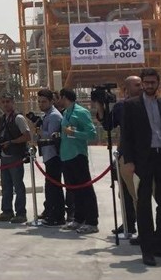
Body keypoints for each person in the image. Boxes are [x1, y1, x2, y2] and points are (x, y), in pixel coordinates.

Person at [120, 68, 161, 267]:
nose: (150, 85)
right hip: (143, 160)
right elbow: (126, 135)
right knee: (143, 205)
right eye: (146, 82)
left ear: (158, 83)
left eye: (153, 82)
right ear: (142, 84)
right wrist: (129, 161)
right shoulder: (131, 105)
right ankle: (147, 250)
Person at [93, 75, 142, 237]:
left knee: (144, 194)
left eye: (141, 84)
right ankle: (129, 224)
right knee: (126, 192)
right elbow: (108, 125)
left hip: (147, 155)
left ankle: (150, 229)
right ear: (126, 90)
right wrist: (100, 105)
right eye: (137, 85)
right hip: (126, 155)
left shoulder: (151, 103)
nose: (141, 87)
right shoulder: (122, 106)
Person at [57, 88, 99, 234]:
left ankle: (92, 221)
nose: (58, 100)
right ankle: (78, 218)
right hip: (66, 155)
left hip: (78, 155)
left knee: (86, 189)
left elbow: (92, 134)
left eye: (59, 97)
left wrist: (74, 133)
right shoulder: (65, 113)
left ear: (64, 97)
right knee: (74, 190)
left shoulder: (81, 112)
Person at [0, 93, 30, 224]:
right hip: (4, 156)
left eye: (8, 101)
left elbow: (27, 136)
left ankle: (21, 213)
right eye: (3, 102)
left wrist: (11, 142)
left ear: (13, 102)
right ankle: (7, 211)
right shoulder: (1, 119)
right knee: (6, 186)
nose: (5, 104)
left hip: (15, 156)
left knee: (18, 186)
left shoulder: (18, 118)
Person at [35, 88, 65, 227]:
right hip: (48, 155)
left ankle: (57, 215)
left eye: (44, 101)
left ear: (51, 101)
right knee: (50, 186)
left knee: (54, 187)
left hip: (54, 155)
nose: (41, 104)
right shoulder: (47, 115)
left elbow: (51, 135)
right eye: (39, 101)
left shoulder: (54, 116)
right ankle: (50, 212)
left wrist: (41, 131)